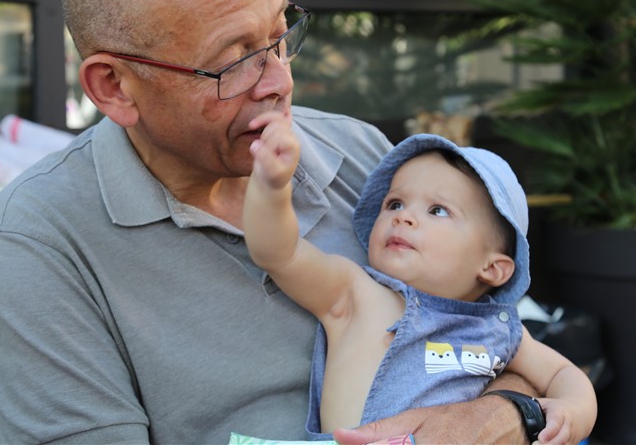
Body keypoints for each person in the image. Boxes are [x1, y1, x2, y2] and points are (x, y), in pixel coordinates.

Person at [0, 0, 538, 444]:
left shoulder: (361, 154)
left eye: (279, 36)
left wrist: (503, 414)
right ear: (114, 86)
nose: (279, 82)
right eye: (234, 61)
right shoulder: (37, 239)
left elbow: (500, 343)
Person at [243, 113, 597, 444]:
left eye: (437, 210)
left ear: (492, 268)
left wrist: (572, 412)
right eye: (395, 204)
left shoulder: (498, 330)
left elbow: (563, 374)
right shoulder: (355, 293)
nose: (404, 217)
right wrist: (272, 188)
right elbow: (279, 253)